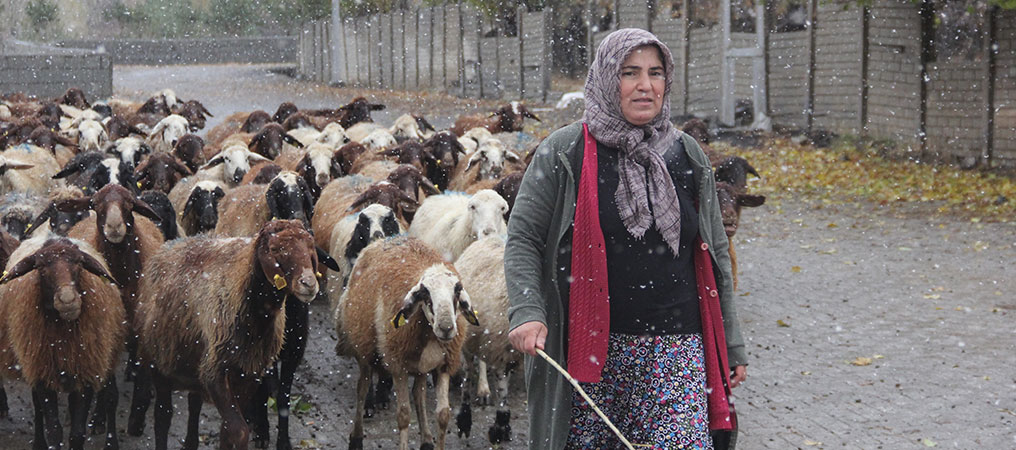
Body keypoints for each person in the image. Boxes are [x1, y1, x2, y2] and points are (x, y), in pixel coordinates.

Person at [506, 28, 748, 449]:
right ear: (605, 78)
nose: (644, 85)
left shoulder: (688, 155)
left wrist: (732, 341)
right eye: (629, 73)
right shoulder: (565, 152)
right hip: (589, 349)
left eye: (655, 73)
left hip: (678, 350)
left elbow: (715, 254)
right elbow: (524, 237)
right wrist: (528, 309)